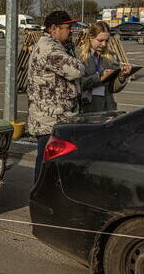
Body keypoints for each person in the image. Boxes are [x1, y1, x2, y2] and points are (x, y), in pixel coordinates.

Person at [27, 11, 84, 181]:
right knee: (47, 170)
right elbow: (75, 70)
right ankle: (39, 202)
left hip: (58, 117)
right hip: (50, 121)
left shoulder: (58, 46)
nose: (71, 31)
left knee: (55, 168)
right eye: (68, 27)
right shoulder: (49, 48)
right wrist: (79, 62)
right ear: (53, 29)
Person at [78, 21, 132, 113]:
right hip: (87, 109)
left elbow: (113, 88)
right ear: (91, 37)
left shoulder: (110, 57)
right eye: (100, 40)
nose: (104, 44)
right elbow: (78, 85)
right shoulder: (79, 57)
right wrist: (100, 77)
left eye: (106, 41)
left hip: (107, 108)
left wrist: (121, 77)